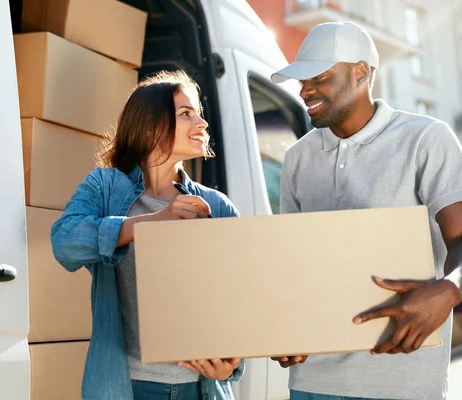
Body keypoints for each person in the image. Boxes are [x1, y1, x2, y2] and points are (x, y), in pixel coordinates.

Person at [270, 21, 462, 400]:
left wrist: (448, 290)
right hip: (312, 383)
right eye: (301, 80)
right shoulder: (296, 158)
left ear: (360, 73)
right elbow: (290, 263)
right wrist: (282, 325)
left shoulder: (426, 139)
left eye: (319, 78)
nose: (304, 90)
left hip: (401, 382)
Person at [50, 70, 244, 400]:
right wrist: (155, 221)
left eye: (199, 112)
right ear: (150, 125)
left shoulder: (216, 206)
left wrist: (231, 366)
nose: (202, 122)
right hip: (128, 386)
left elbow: (243, 298)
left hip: (202, 389)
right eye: (186, 113)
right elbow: (65, 241)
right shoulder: (104, 186)